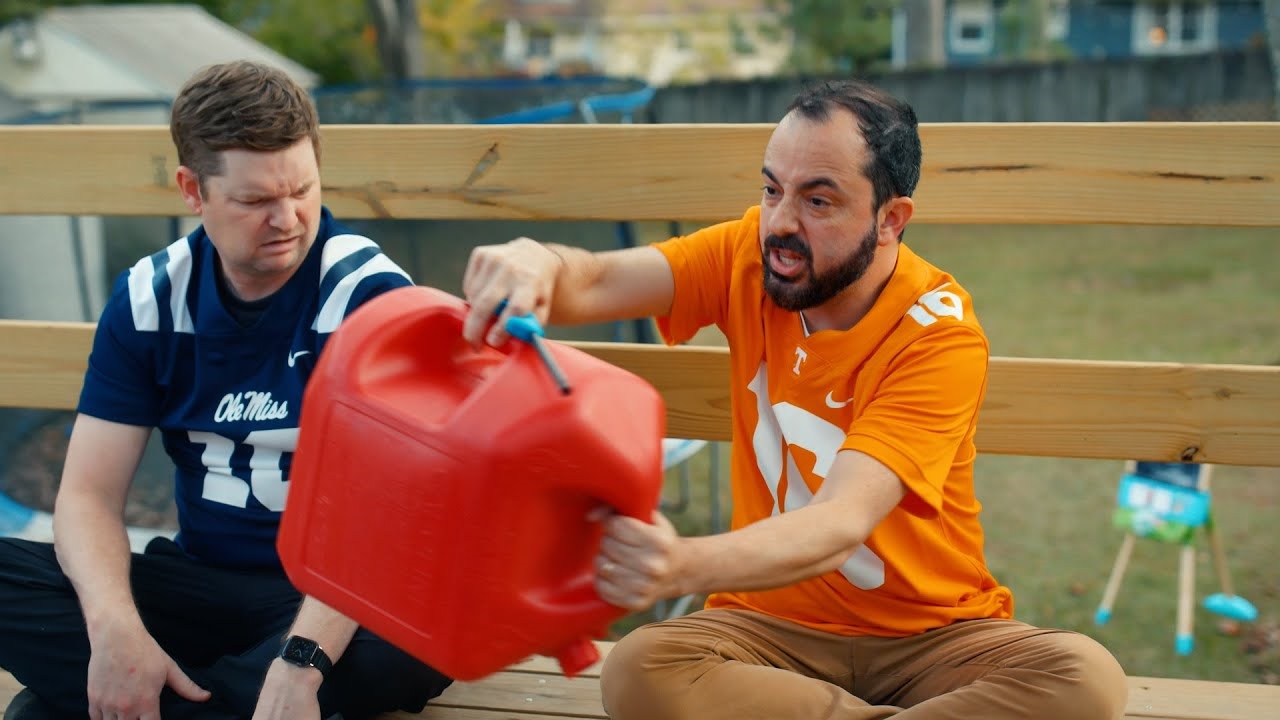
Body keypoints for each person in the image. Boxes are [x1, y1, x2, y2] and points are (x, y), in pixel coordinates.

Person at [460, 79, 1129, 719]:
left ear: (891, 219)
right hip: (765, 631)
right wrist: (539, 261)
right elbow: (596, 281)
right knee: (639, 670)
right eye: (772, 188)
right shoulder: (747, 255)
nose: (780, 223)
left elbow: (839, 525)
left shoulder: (939, 334)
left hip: (930, 636)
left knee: (1084, 680)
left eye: (818, 201)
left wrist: (680, 564)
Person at [0, 61, 451, 720]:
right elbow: (88, 497)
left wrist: (302, 663)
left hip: (335, 596)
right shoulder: (150, 300)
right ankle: (213, 692)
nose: (288, 218)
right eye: (254, 201)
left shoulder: (370, 297)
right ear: (192, 189)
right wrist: (116, 631)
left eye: (302, 189)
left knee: (413, 642)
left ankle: (156, 701)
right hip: (201, 582)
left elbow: (388, 520)